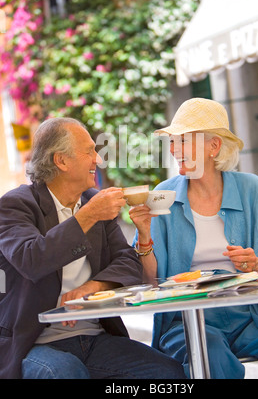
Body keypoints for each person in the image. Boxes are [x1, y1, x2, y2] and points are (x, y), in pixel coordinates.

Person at [0, 117, 185, 380]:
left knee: (168, 372)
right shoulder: (16, 205)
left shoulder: (91, 202)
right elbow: (31, 259)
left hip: (95, 338)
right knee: (66, 372)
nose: (97, 160)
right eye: (88, 151)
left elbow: (127, 260)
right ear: (61, 161)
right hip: (35, 343)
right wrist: (87, 216)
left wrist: (94, 287)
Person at [130, 98, 258, 379]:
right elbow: (149, 282)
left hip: (254, 314)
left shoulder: (253, 190)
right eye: (173, 141)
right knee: (210, 356)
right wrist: (145, 237)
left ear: (214, 146)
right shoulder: (163, 196)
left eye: (183, 141)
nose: (173, 149)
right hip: (188, 322)